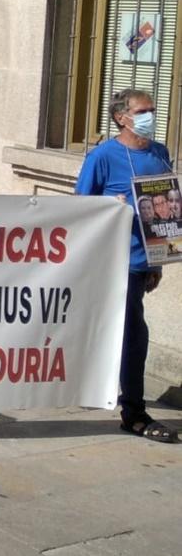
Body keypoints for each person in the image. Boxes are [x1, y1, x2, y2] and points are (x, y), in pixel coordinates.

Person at [75, 88, 177, 443]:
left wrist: (158, 263)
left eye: (152, 109)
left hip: (141, 261)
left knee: (129, 332)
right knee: (135, 333)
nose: (151, 116)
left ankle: (123, 400)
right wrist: (111, 206)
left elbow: (165, 209)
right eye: (144, 110)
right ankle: (133, 412)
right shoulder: (102, 156)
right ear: (122, 117)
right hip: (111, 261)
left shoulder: (160, 154)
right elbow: (80, 210)